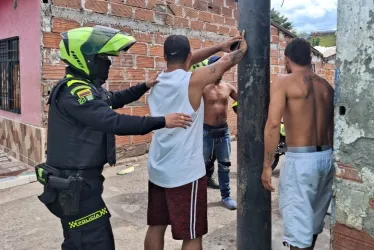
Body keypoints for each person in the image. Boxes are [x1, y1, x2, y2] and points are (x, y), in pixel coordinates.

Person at [35, 25, 192, 250]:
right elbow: (112, 121)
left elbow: (114, 98)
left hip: (84, 184)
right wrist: (162, 121)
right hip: (74, 186)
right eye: (103, 57)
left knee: (85, 240)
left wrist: (144, 86)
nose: (108, 63)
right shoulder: (74, 91)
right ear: (85, 58)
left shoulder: (87, 87)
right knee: (92, 242)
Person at [144, 32, 247, 250]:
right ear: (189, 56)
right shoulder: (194, 80)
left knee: (156, 225)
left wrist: (220, 45)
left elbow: (188, 60)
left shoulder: (156, 80)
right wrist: (241, 47)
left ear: (164, 56)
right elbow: (229, 60)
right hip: (185, 173)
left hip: (157, 167)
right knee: (192, 235)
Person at [261, 38, 334, 250]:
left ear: (286, 59)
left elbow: (274, 124)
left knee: (296, 230)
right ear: (310, 57)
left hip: (301, 161)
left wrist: (267, 165)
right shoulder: (326, 87)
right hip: (326, 158)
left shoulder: (284, 81)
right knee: (311, 226)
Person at [197, 55, 238, 210]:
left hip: (223, 132)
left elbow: (242, 99)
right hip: (206, 131)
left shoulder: (227, 87)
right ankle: (198, 198)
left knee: (225, 165)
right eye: (217, 66)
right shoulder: (202, 87)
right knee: (201, 166)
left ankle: (226, 196)